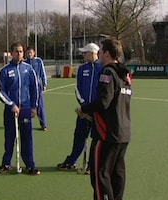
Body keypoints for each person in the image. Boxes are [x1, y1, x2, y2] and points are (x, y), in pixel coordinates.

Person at [79, 38, 132, 200]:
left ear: (107, 54)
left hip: (106, 133)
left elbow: (103, 102)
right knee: (117, 172)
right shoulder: (125, 75)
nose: (99, 55)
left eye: (100, 52)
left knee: (100, 174)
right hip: (123, 132)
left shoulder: (108, 72)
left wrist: (84, 109)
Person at [0, 42, 41, 175]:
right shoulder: (4, 70)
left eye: (21, 51)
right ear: (11, 53)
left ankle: (30, 165)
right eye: (16, 51)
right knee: (10, 137)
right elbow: (0, 90)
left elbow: (35, 89)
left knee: (27, 138)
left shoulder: (29, 69)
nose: (19, 54)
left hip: (26, 108)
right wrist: (11, 104)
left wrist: (34, 107)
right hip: (11, 110)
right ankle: (6, 163)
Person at [57, 43, 102, 172]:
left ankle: (91, 165)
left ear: (92, 53)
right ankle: (71, 161)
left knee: (95, 139)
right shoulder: (82, 69)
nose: (83, 55)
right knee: (79, 137)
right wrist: (84, 105)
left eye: (85, 53)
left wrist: (96, 107)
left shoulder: (103, 68)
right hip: (84, 111)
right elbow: (77, 89)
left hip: (98, 112)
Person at [25, 46, 48, 131]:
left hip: (37, 87)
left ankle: (44, 124)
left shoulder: (38, 61)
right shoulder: (24, 63)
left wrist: (44, 83)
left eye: (31, 52)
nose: (29, 54)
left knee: (40, 106)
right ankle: (26, 124)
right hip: (27, 87)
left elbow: (43, 72)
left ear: (34, 53)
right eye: (28, 52)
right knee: (26, 106)